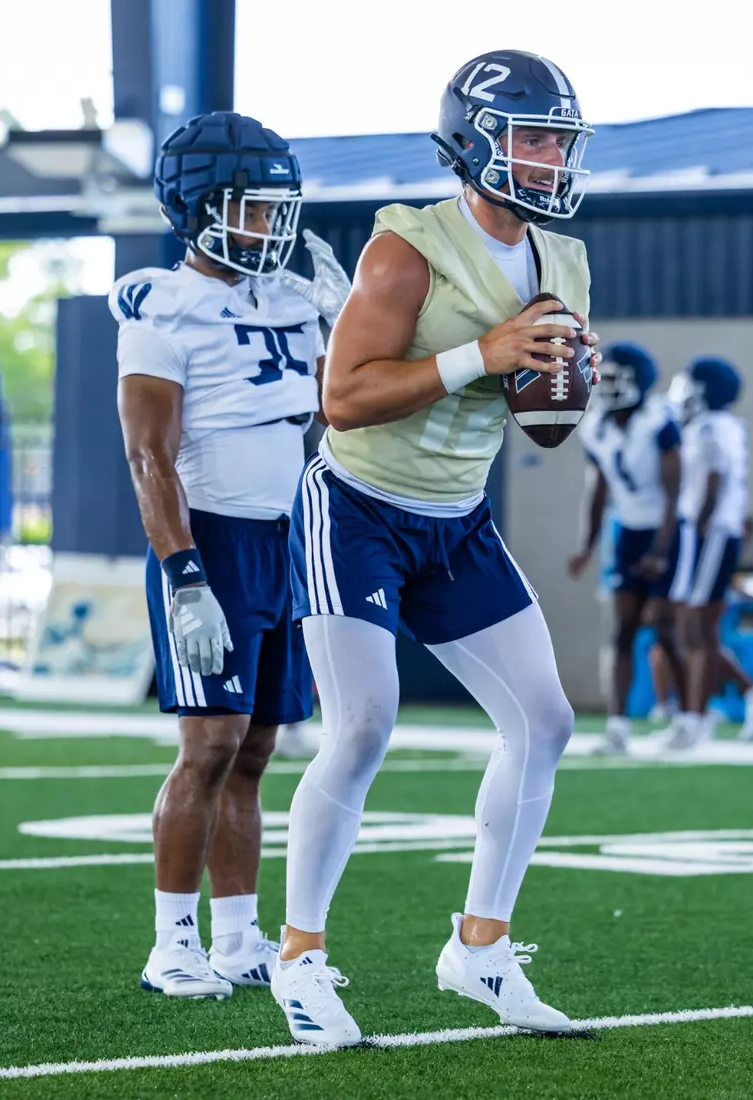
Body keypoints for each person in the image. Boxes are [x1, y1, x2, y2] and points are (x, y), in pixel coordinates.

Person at [273, 50, 600, 1047]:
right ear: (476, 140)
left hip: (457, 514)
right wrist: (483, 354)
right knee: (366, 724)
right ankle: (300, 957)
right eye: (532, 136)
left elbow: (544, 427)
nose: (549, 157)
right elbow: (344, 397)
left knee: (545, 721)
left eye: (560, 139)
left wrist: (565, 380)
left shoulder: (566, 257)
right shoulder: (404, 250)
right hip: (360, 504)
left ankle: (481, 945)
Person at [113, 111, 345, 1002]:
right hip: (209, 539)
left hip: (288, 539)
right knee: (206, 746)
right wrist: (183, 575)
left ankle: (240, 939)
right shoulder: (159, 305)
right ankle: (171, 942)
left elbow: (333, 413)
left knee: (254, 752)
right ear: (199, 208)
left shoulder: (291, 298)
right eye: (253, 210)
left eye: (279, 209)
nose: (272, 228)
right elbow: (148, 457)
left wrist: (346, 319)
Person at [567, 342, 685, 755]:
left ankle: (687, 719)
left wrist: (661, 549)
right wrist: (587, 545)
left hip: (667, 529)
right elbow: (597, 490)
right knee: (620, 633)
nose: (608, 386)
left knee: (665, 628)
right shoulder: (596, 424)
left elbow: (674, 493)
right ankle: (617, 727)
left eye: (617, 378)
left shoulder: (659, 421)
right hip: (628, 531)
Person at [661, 357, 753, 752]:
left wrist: (697, 528)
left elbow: (713, 480)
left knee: (696, 628)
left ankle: (697, 719)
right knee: (690, 629)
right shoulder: (714, 426)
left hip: (708, 532)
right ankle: (752, 694)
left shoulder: (711, 428)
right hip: (704, 531)